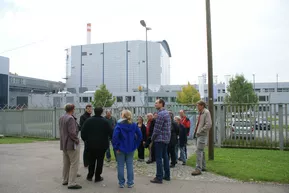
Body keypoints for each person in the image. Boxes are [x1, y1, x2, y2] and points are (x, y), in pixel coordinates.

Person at [81, 107, 113, 182]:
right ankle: (97, 177)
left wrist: (86, 140)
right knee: (100, 161)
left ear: (94, 112)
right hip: (102, 145)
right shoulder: (105, 121)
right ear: (102, 112)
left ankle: (90, 175)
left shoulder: (88, 121)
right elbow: (111, 132)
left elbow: (83, 132)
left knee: (91, 160)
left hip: (90, 144)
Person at [112, 110, 142, 188]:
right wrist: (135, 144)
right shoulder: (134, 125)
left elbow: (115, 137)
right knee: (130, 165)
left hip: (120, 148)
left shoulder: (119, 125)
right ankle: (130, 182)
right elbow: (140, 136)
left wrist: (116, 147)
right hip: (130, 147)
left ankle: (121, 183)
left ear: (122, 115)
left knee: (120, 165)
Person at [59, 103, 82, 189]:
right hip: (71, 144)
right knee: (74, 163)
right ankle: (72, 183)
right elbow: (72, 132)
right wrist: (77, 140)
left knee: (66, 163)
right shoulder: (71, 118)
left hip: (64, 144)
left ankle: (65, 180)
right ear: (72, 109)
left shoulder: (61, 118)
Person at [150, 98, 171, 184]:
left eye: (156, 103)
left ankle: (159, 177)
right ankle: (167, 175)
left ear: (161, 104)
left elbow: (157, 129)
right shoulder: (166, 113)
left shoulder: (161, 114)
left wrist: (152, 139)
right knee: (165, 157)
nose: (155, 104)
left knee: (158, 158)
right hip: (166, 139)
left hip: (160, 139)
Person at [191, 100, 212, 176]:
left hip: (202, 135)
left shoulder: (206, 112)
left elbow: (209, 124)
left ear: (202, 106)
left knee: (199, 151)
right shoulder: (200, 113)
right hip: (198, 134)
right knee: (201, 151)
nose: (197, 107)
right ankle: (203, 167)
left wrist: (201, 130)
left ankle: (198, 169)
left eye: (198, 105)